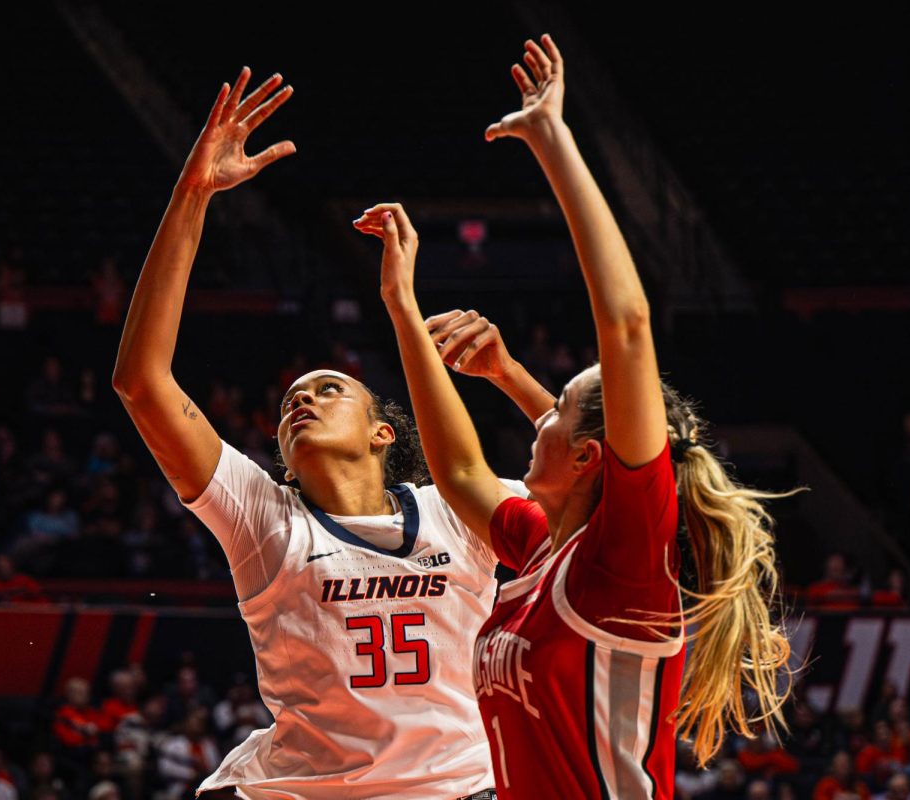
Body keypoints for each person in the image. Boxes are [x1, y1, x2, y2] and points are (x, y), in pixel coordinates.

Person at [359, 34, 791, 798]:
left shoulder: (622, 564)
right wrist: (402, 309)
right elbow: (459, 472)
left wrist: (552, 138)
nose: (537, 411)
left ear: (591, 457)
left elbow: (626, 325)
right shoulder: (541, 556)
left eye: (555, 406)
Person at [112, 66, 539, 799]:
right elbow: (141, 382)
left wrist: (508, 375)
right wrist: (193, 196)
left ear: (381, 433)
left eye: (327, 390)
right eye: (288, 404)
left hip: (460, 789)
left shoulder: (456, 509)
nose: (300, 403)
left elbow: (593, 474)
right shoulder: (261, 516)